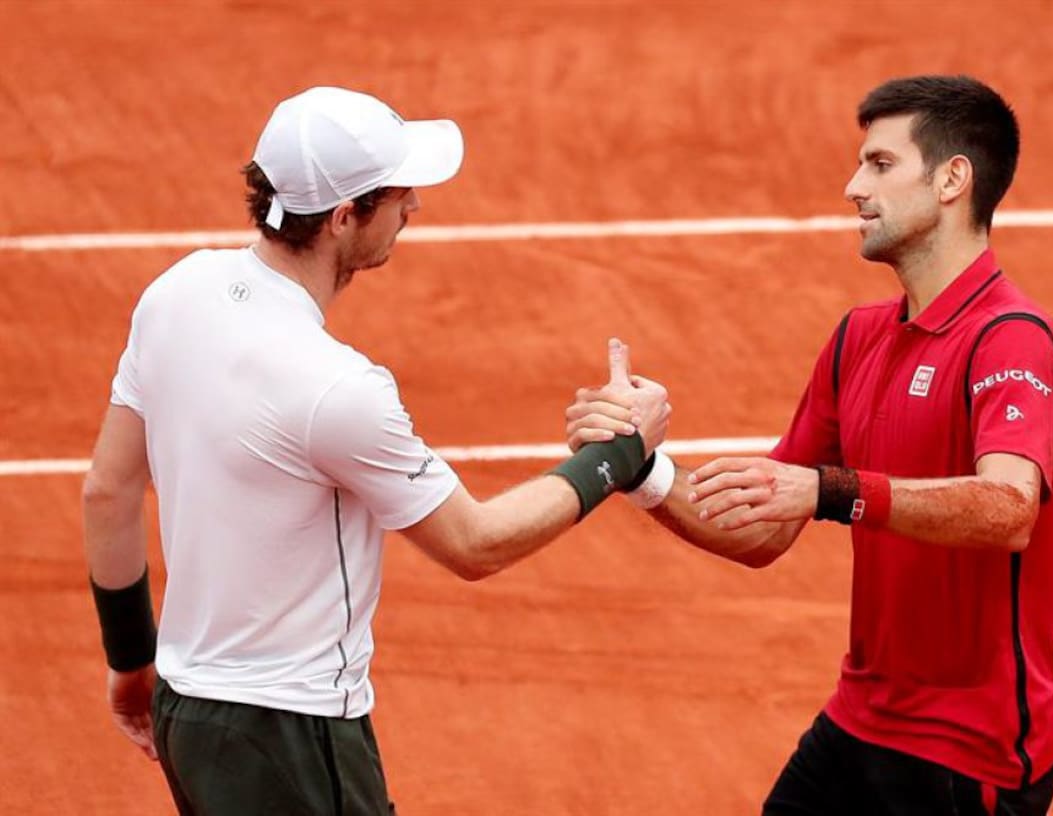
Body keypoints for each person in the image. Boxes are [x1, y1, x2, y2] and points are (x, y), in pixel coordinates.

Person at [82, 85, 670, 815]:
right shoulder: (337, 388)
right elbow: (475, 543)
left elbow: (106, 492)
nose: (414, 207)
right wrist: (617, 453)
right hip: (294, 739)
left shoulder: (175, 294)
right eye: (397, 195)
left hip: (187, 712)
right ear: (341, 219)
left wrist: (131, 660)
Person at [568, 75, 1053, 814]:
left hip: (970, 752)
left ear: (951, 180)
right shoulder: (857, 339)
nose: (852, 187)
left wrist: (835, 491)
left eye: (879, 164)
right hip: (859, 721)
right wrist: (640, 466)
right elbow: (764, 525)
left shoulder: (1012, 341)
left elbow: (1009, 509)